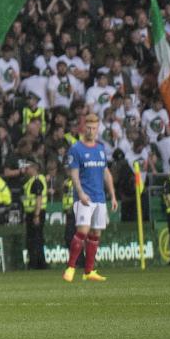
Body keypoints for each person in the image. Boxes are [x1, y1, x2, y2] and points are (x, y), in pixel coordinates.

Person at [64, 115, 112, 282]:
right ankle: (70, 267)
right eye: (89, 127)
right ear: (83, 128)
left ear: (98, 129)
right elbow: (74, 175)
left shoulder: (100, 148)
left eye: (94, 128)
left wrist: (112, 195)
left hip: (100, 198)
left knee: (95, 234)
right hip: (84, 198)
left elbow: (106, 173)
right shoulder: (76, 149)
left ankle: (89, 271)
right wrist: (81, 192)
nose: (91, 131)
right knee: (82, 231)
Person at [20, 159, 50, 270]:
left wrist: (36, 215)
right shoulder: (32, 181)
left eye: (27, 168)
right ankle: (37, 262)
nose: (26, 170)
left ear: (34, 168)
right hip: (32, 213)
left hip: (36, 213)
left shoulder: (36, 181)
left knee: (35, 239)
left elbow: (39, 198)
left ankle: (37, 263)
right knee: (33, 238)